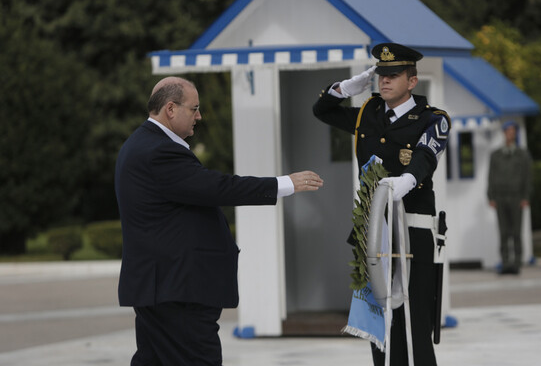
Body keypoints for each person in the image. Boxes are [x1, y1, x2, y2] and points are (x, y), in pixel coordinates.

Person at [114, 76, 323, 365]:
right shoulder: (158, 151)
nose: (199, 115)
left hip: (163, 287)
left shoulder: (143, 144)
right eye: (194, 108)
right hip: (176, 290)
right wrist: (284, 183)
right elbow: (216, 187)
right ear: (171, 109)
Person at [313, 43, 450, 366]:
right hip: (373, 231)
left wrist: (405, 181)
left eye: (393, 75)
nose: (384, 81)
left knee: (414, 320)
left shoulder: (432, 119)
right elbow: (322, 111)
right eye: (380, 75)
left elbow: (426, 157)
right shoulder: (368, 114)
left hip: (411, 229)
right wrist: (345, 88)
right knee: (379, 322)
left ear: (412, 81)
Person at [487, 120, 532, 275]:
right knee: (503, 231)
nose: (510, 134)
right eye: (508, 131)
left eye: (513, 131)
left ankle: (517, 263)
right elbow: (491, 176)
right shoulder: (496, 155)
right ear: (504, 133)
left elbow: (527, 177)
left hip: (516, 196)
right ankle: (506, 263)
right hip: (500, 197)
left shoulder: (522, 154)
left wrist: (525, 196)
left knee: (516, 232)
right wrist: (491, 196)